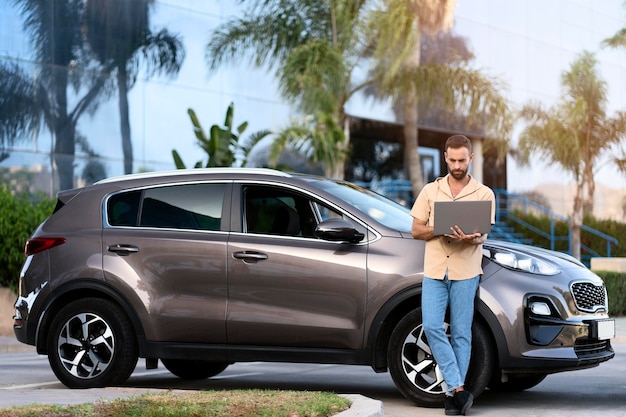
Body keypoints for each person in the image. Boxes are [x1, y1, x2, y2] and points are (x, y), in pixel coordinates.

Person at [409, 134, 495, 416]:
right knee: (432, 326)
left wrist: (471, 239)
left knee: (461, 333)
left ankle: (451, 397)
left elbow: (482, 234)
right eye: (453, 159)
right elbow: (416, 230)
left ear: (470, 158)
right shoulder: (430, 191)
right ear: (445, 156)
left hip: (466, 272)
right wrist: (439, 229)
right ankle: (459, 388)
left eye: (462, 160)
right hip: (435, 271)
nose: (457, 165)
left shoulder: (484, 194)